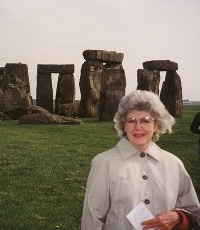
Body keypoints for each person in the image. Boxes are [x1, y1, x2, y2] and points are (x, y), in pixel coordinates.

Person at [81, 90, 200, 230]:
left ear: (156, 125)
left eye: (145, 120)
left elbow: (193, 211)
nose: (138, 127)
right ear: (123, 125)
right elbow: (92, 219)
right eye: (131, 121)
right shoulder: (103, 163)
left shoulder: (174, 164)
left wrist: (179, 217)